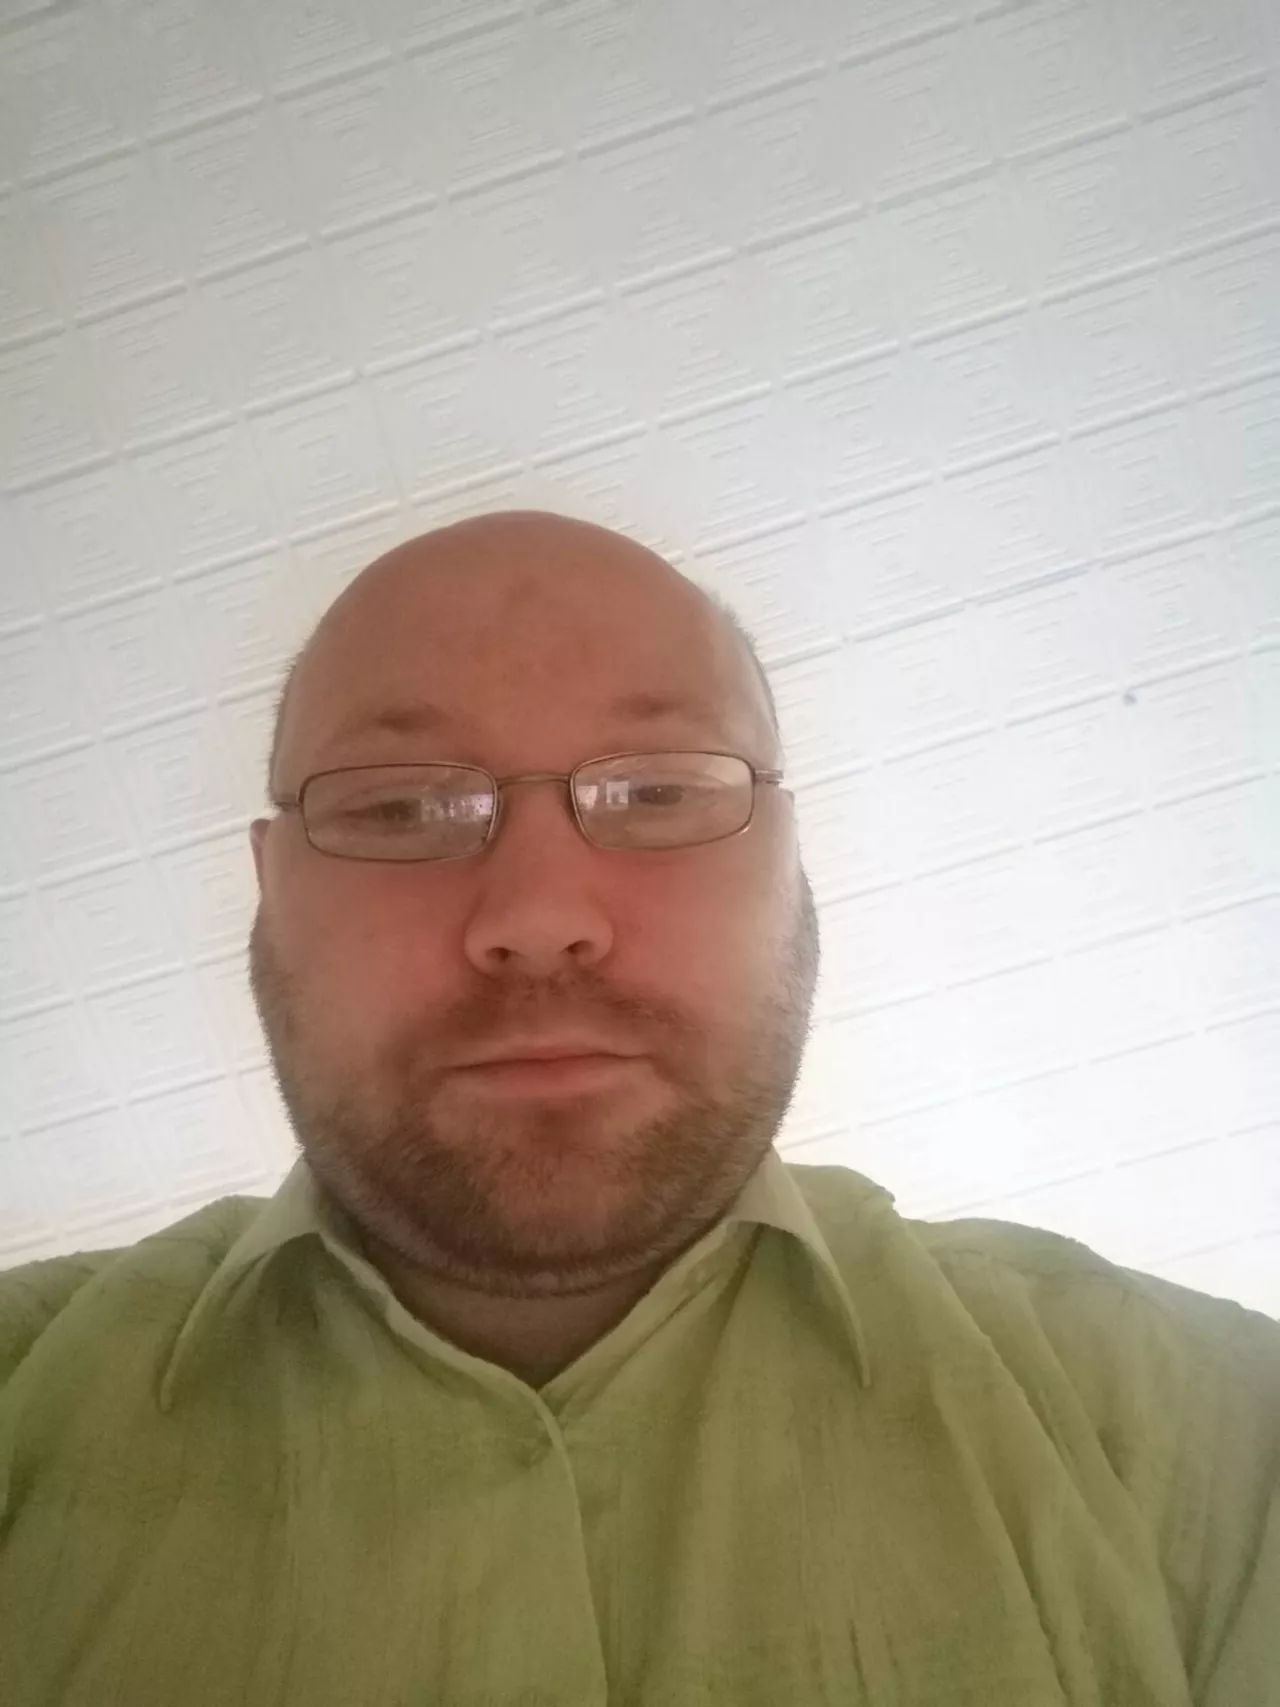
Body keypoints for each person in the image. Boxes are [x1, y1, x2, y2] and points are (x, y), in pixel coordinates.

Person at [0, 510, 1275, 1706]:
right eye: (395, 807)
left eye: (658, 791)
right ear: (268, 889)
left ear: (789, 864)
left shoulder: (1207, 1443)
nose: (536, 917)